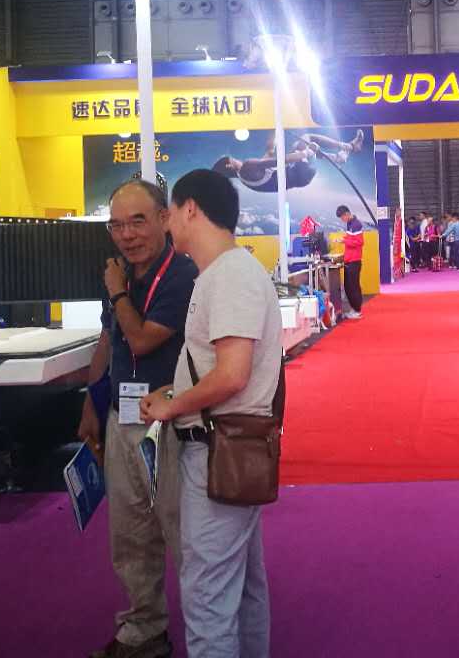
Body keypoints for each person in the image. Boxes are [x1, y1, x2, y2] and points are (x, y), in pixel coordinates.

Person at [139, 169, 284, 657]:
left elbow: (232, 375)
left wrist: (172, 405)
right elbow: (222, 369)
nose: (166, 224)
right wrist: (176, 391)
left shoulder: (230, 276)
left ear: (191, 209)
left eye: (168, 213)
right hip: (225, 446)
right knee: (238, 588)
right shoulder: (223, 274)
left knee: (208, 598)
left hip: (218, 450)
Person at [79, 180, 198, 658]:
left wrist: (116, 293)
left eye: (137, 221)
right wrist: (90, 403)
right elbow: (110, 339)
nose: (126, 235)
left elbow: (144, 339)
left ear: (165, 219)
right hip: (120, 416)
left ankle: (210, 634)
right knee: (129, 532)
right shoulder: (122, 273)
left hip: (170, 424)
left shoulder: (182, 274)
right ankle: (143, 631)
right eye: (116, 225)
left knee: (182, 531)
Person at [212, 130, 364, 194]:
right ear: (228, 165)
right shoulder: (247, 166)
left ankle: (338, 158)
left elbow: (269, 152)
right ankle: (349, 147)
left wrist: (274, 130)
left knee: (299, 146)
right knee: (308, 138)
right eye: (231, 158)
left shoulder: (245, 178)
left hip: (300, 177)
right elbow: (279, 161)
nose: (234, 158)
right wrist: (306, 152)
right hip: (301, 172)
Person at [337, 205, 364, 319]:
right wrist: (343, 239)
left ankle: (357, 310)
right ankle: (354, 308)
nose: (342, 220)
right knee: (348, 286)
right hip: (349, 259)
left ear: (347, 214)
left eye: (342, 217)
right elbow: (351, 239)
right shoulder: (350, 224)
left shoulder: (356, 224)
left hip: (354, 260)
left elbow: (359, 242)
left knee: (353, 286)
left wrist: (344, 241)